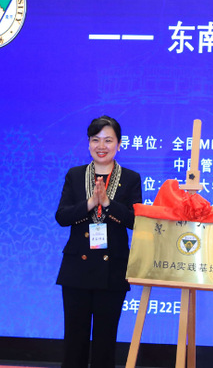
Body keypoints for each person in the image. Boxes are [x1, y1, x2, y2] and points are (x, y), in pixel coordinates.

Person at [55, 115, 142, 368]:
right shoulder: (75, 175)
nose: (101, 146)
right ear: (88, 143)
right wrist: (91, 203)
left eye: (108, 140)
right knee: (74, 338)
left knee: (106, 339)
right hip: (77, 268)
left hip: (112, 268)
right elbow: (62, 217)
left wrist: (107, 204)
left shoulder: (131, 178)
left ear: (119, 144)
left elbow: (135, 221)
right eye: (95, 140)